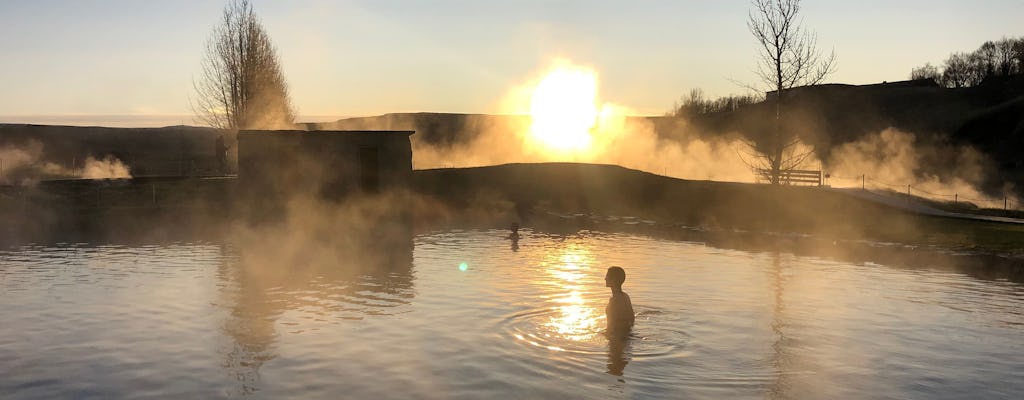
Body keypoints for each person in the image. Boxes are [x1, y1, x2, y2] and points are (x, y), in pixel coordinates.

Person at [605, 266, 634, 335]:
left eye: (607, 276)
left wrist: (607, 335)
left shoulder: (614, 300)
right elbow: (632, 319)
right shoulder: (626, 296)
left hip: (616, 337)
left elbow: (611, 324)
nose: (605, 278)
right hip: (627, 333)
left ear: (613, 279)